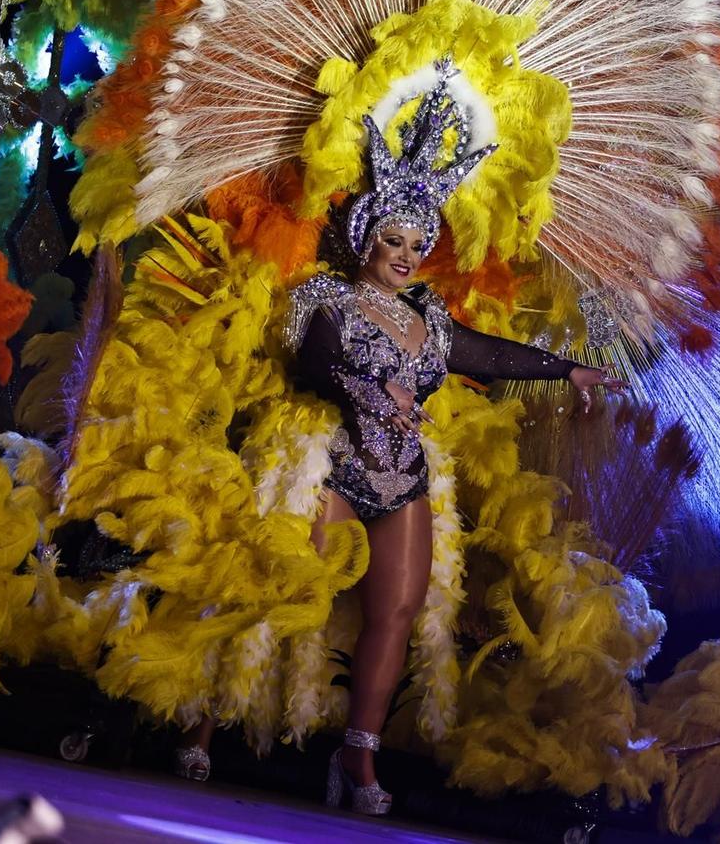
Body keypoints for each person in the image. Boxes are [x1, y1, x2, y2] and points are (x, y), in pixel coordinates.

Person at [175, 79, 622, 815]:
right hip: (329, 463)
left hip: (403, 477)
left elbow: (483, 353)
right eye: (394, 240)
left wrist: (562, 367)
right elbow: (319, 362)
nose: (408, 255)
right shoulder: (325, 300)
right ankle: (205, 714)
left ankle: (359, 759)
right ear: (364, 237)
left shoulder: (429, 318)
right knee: (286, 587)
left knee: (399, 609)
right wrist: (370, 393)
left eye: (420, 244)